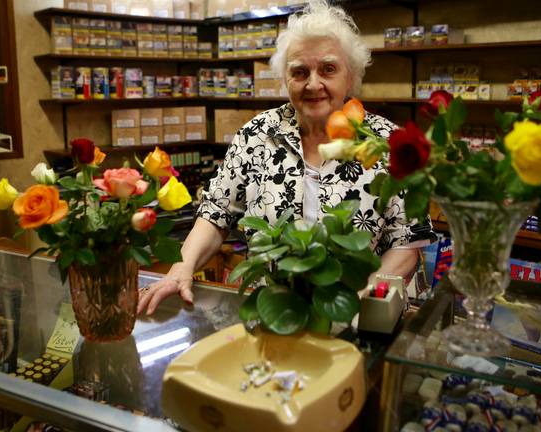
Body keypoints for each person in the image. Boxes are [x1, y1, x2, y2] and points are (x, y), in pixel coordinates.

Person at [137, 0, 435, 315]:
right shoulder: (256, 135)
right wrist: (180, 269)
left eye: (328, 69)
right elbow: (216, 214)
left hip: (361, 315)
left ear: (351, 76)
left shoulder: (388, 142)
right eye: (299, 72)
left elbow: (407, 241)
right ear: (285, 78)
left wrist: (359, 300)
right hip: (273, 313)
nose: (313, 83)